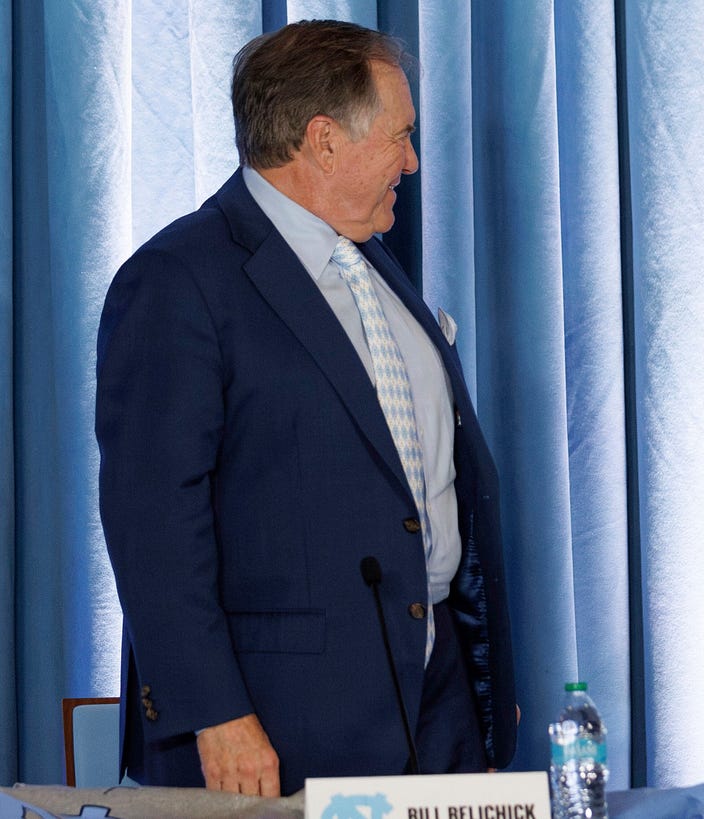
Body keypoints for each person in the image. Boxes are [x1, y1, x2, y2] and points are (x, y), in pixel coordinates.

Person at [96, 20, 515, 796]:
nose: (413, 162)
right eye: (401, 137)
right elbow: (150, 519)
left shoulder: (377, 265)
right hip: (280, 726)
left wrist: (481, 708)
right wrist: (215, 715)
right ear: (324, 140)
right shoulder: (178, 280)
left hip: (437, 711)